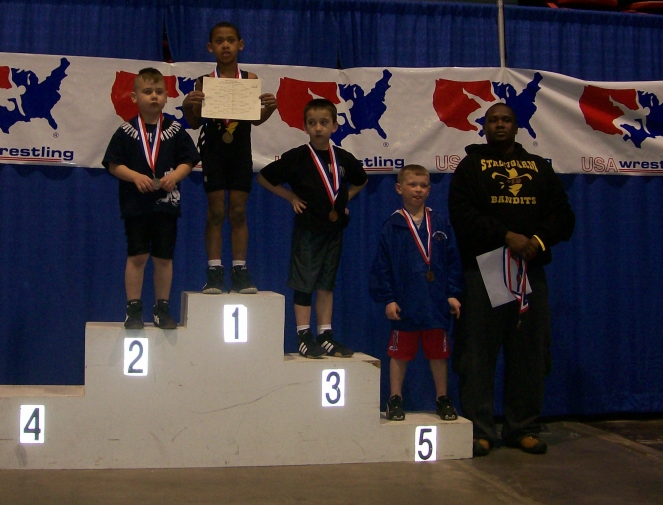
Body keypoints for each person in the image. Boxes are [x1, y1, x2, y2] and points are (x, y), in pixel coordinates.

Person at [448, 103, 574, 457]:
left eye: (506, 120)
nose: (500, 125)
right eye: (493, 120)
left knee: (529, 353)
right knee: (478, 354)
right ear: (484, 127)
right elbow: (462, 215)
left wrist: (537, 241)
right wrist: (506, 236)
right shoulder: (471, 166)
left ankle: (523, 427)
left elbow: (564, 216)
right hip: (486, 269)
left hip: (529, 270)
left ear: (517, 127)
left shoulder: (538, 167)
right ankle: (480, 430)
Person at [257, 98, 367, 358]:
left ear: (335, 126)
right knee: (304, 282)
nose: (318, 128)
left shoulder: (343, 158)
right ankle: (303, 335)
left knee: (326, 284)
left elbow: (361, 180)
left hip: (334, 229)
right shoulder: (297, 157)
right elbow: (263, 177)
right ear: (305, 126)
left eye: (324, 122)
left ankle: (325, 334)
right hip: (308, 229)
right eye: (312, 123)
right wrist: (290, 197)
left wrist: (343, 200)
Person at [181, 22, 277, 294]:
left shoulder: (249, 78)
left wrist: (270, 109)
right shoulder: (204, 81)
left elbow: (255, 120)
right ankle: (214, 272)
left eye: (231, 40)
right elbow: (195, 121)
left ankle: (239, 270)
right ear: (210, 47)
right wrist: (188, 106)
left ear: (240, 45)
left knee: (237, 211)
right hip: (213, 151)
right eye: (220, 41)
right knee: (216, 211)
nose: (225, 45)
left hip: (239, 152)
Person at [103, 68, 200, 330]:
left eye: (159, 92)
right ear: (135, 97)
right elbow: (113, 164)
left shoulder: (175, 130)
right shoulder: (125, 131)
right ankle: (133, 310)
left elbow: (189, 160)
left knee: (164, 258)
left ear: (167, 97)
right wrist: (135, 176)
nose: (154, 96)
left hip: (166, 207)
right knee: (137, 257)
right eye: (148, 92)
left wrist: (176, 176)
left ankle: (162, 308)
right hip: (136, 206)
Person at [369, 164, 463, 422]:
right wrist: (389, 298)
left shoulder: (440, 223)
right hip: (405, 303)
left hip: (435, 302)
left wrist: (452, 293)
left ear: (430, 190)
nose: (418, 190)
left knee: (438, 353)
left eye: (423, 185)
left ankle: (442, 398)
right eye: (412, 184)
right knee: (400, 353)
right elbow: (382, 266)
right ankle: (394, 399)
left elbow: (453, 261)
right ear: (399, 188)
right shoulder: (393, 225)